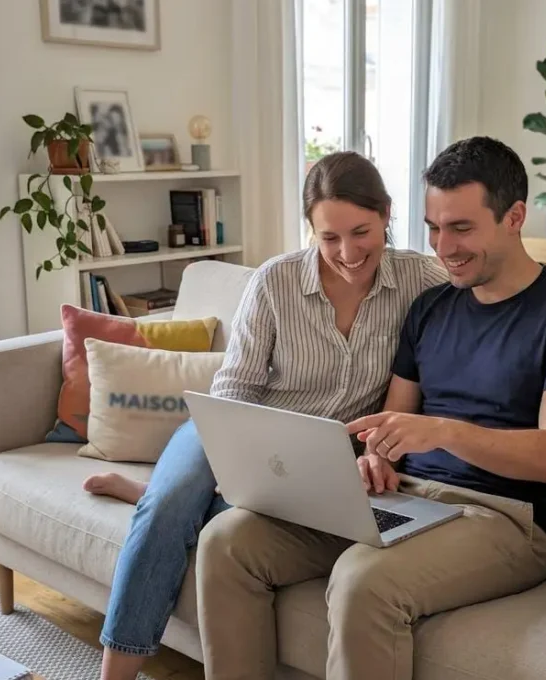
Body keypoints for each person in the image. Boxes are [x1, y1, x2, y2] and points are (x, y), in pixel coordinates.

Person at [195, 136, 546, 680]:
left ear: (515, 216)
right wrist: (374, 458)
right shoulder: (430, 307)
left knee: (361, 579)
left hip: (505, 518)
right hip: (405, 498)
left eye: (462, 228)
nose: (445, 247)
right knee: (228, 543)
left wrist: (442, 431)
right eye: (434, 228)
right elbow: (389, 426)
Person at [86, 151, 449, 680]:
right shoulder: (275, 282)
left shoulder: (422, 280)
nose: (347, 252)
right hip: (239, 426)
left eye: (361, 232)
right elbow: (234, 390)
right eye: (329, 238)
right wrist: (244, 458)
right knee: (166, 510)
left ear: (388, 214)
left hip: (332, 450)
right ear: (311, 230)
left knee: (234, 522)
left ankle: (176, 498)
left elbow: (486, 304)